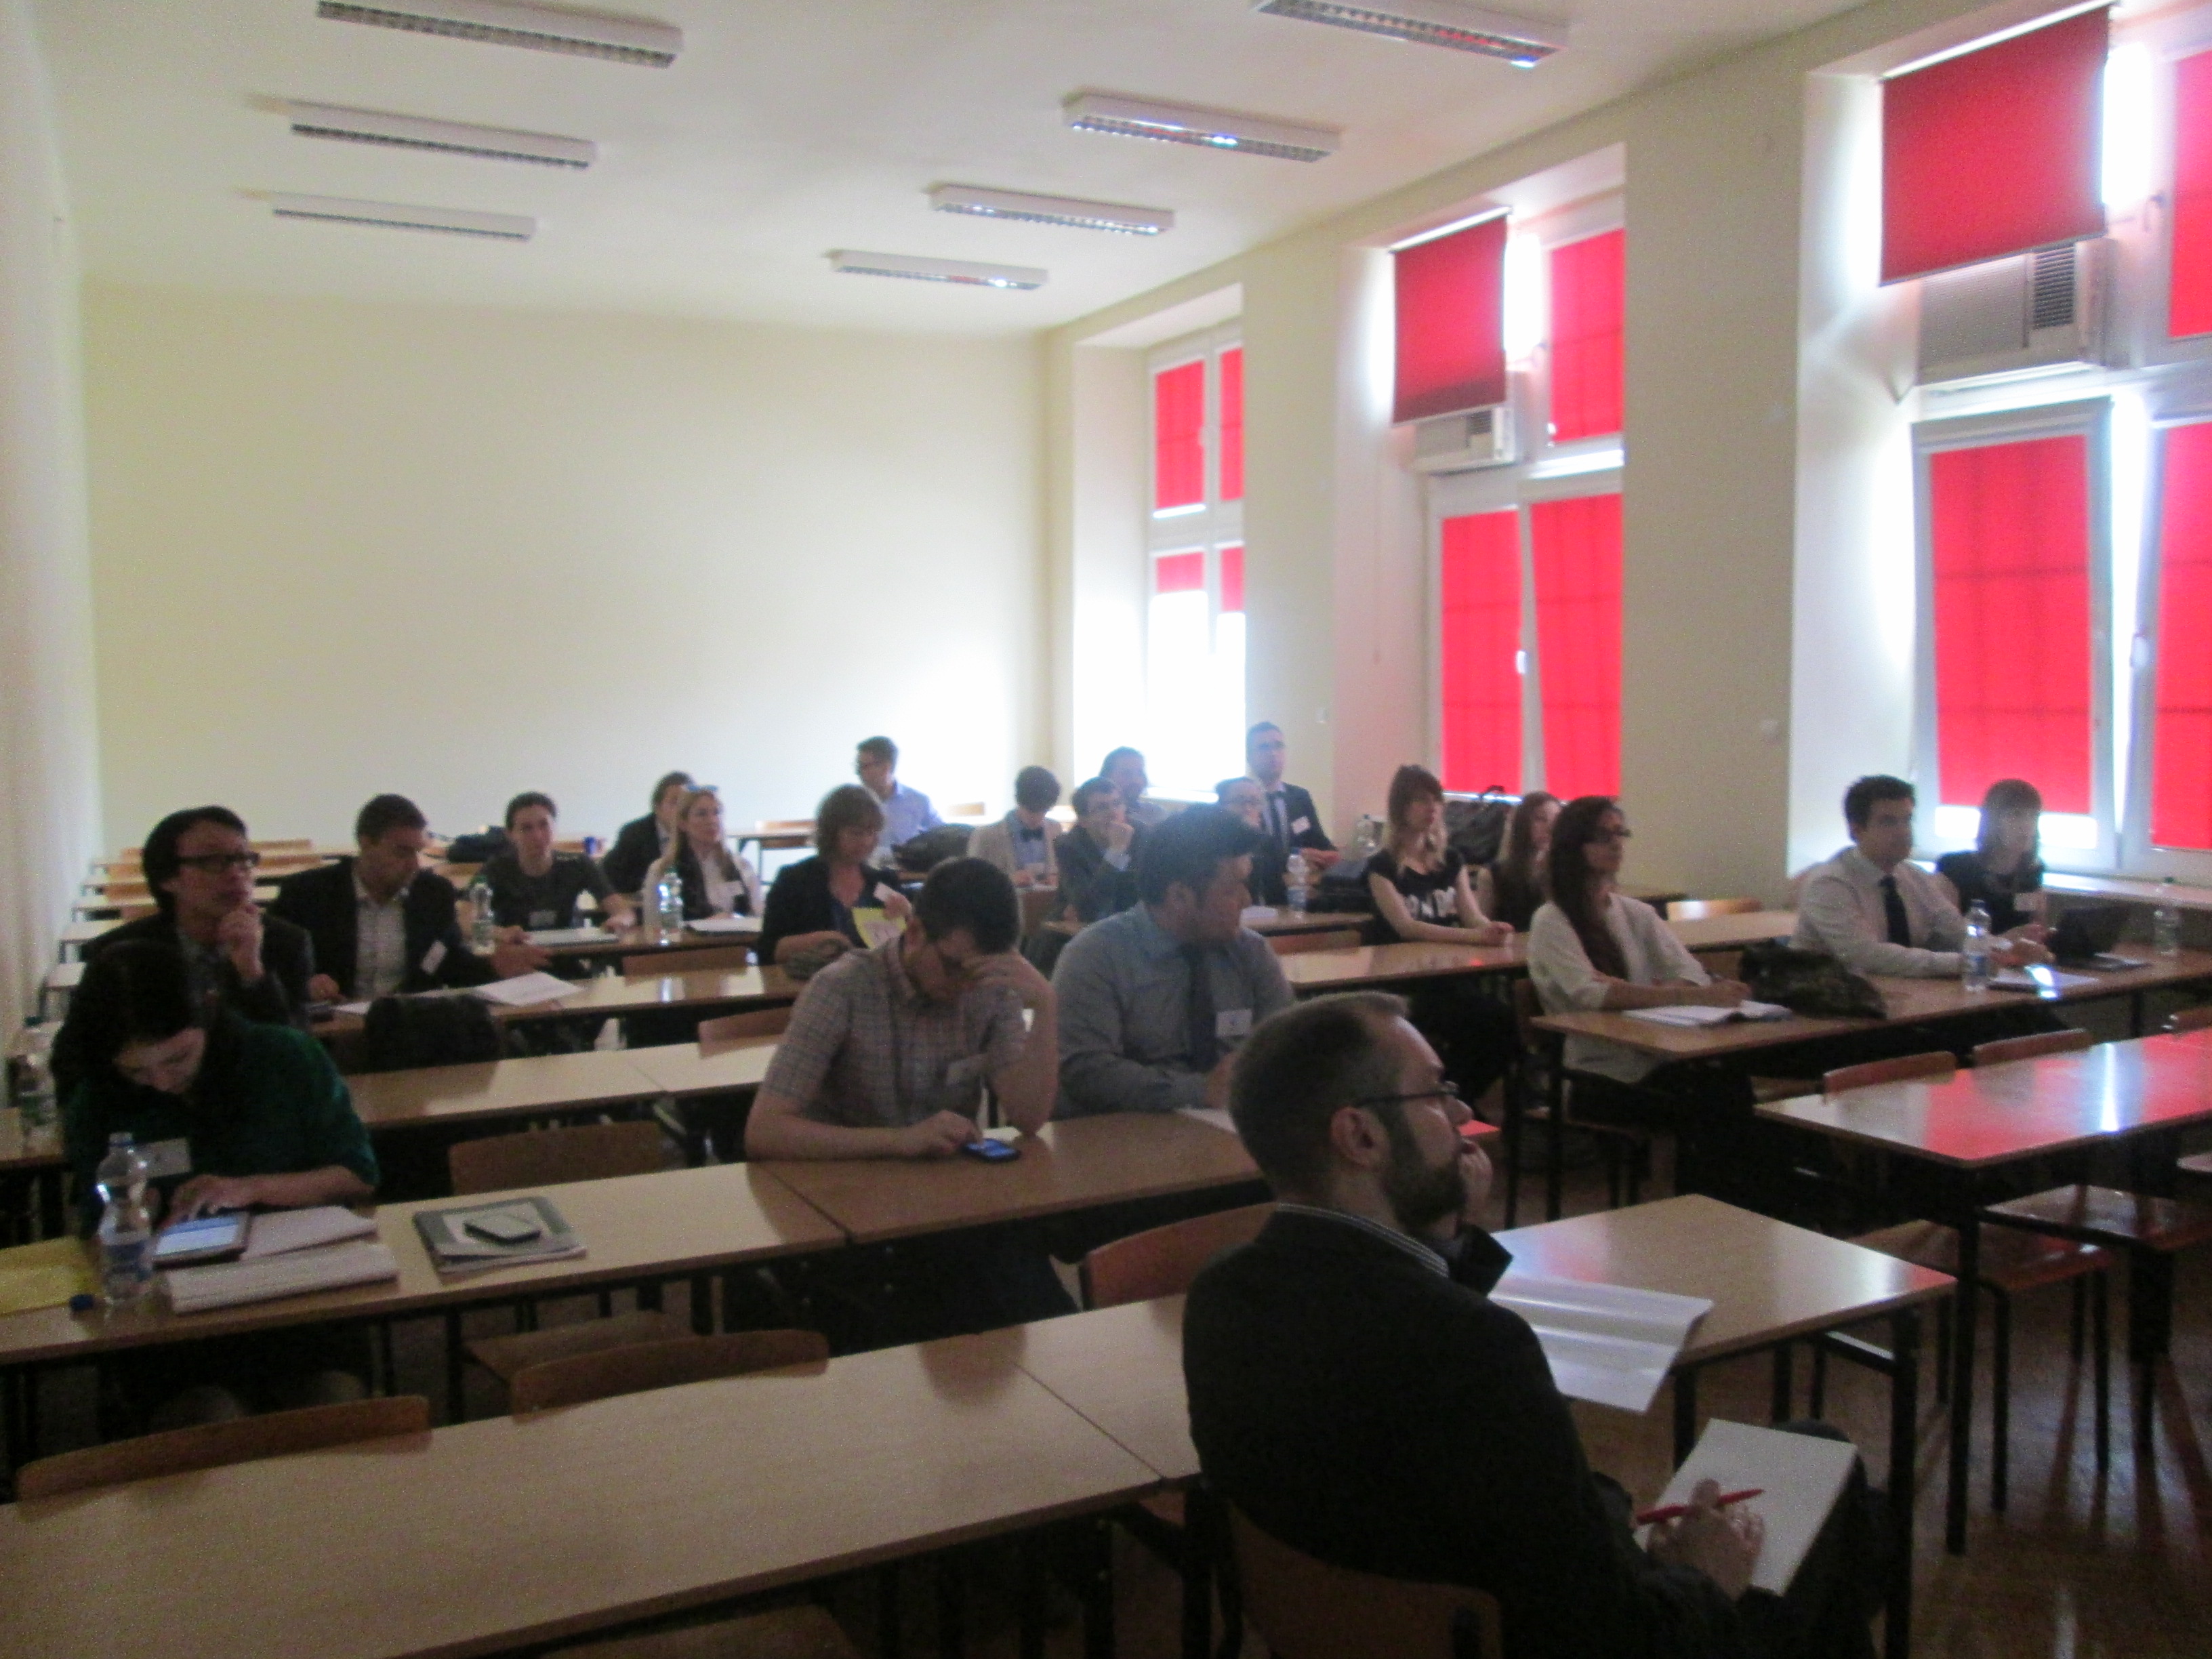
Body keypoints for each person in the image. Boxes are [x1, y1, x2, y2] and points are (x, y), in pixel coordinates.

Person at [1185, 993, 1882, 1659]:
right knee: (1823, 1459)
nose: (1462, 1111)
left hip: (1357, 1631)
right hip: (1541, 1640)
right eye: (1433, 1093)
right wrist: (1703, 1577)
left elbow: (1383, 1314)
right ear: (1361, 1135)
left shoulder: (1221, 1295)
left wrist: (1446, 1228)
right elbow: (1615, 1643)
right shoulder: (1476, 1350)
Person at [60, 942, 379, 1425]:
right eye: (137, 1070)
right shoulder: (100, 1100)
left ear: (209, 1013)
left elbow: (356, 1176)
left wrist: (251, 1188)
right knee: (210, 1421)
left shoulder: (283, 1058)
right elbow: (91, 1227)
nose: (162, 1082)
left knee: (330, 1410)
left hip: (299, 1292)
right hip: (172, 1315)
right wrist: (126, 1215)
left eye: (177, 1059)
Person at [1054, 805, 1292, 1117]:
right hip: (1124, 1139)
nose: (1246, 901)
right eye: (1232, 888)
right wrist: (1201, 1090)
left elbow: (1289, 1045)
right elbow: (1087, 1073)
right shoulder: (1097, 956)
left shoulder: (1249, 952)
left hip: (1230, 1131)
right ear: (1179, 896)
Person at [1528, 796, 1746, 1091]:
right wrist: (1682, 996)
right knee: (1713, 1092)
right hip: (1597, 1072)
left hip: (1657, 1052)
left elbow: (1693, 973)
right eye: (1604, 836)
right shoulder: (1552, 920)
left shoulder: (1636, 912)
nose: (1616, 844)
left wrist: (1638, 991)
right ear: (1574, 846)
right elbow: (1593, 996)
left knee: (1728, 1081)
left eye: (1620, 833)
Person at [272, 793, 550, 1002]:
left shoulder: (432, 894)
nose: (414, 866)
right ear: (365, 844)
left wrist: (492, 965)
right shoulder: (307, 894)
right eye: (402, 853)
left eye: (418, 852)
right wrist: (305, 984)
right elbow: (272, 967)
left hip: (410, 1027)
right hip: (331, 1030)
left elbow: (447, 962)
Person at [1364, 765, 1518, 1107]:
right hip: (1407, 983)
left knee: (1504, 1023)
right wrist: (1474, 939)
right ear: (1401, 808)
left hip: (1449, 975)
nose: (1432, 808)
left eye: (1436, 800)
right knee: (1484, 1023)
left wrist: (1489, 928)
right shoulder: (1383, 866)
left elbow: (1471, 915)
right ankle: (1445, 1100)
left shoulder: (1450, 860)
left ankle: (1452, 1097)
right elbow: (1407, 928)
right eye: (1421, 801)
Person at [83, 806, 315, 1033]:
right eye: (213, 861)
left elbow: (297, 1051)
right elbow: (79, 1055)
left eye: (243, 858)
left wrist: (253, 974)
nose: (236, 873)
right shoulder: (117, 953)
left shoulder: (286, 942)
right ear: (168, 878)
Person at [1794, 776, 2049, 978]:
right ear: (1856, 830)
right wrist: (1964, 961)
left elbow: (1956, 930)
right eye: (1888, 822)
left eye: (1907, 820)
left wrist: (2006, 949)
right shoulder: (1829, 884)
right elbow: (1866, 955)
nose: (1903, 832)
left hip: (1902, 995)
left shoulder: (1913, 877)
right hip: (1835, 1007)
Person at [758, 783, 913, 967]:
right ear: (831, 833)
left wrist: (909, 916)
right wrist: (820, 940)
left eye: (872, 832)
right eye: (856, 833)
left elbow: (911, 951)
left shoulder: (884, 882)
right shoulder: (794, 881)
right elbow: (768, 951)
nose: (866, 841)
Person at [476, 792, 636, 933]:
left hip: (568, 952)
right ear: (510, 835)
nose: (538, 836)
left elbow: (623, 912)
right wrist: (500, 934)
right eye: (526, 828)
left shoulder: (577, 863)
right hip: (516, 954)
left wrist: (619, 921)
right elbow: (465, 920)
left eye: (544, 825)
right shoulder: (496, 868)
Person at [1935, 778, 2047, 935]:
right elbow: (1945, 939)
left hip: (2019, 959)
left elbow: (2037, 930)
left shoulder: (2032, 872)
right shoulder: (1956, 869)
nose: (2027, 825)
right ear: (1993, 821)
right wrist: (2006, 942)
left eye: (2033, 816)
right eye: (2016, 815)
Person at [639, 787, 762, 922]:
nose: (712, 821)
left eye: (716, 813)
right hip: (688, 941)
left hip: (739, 940)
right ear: (683, 823)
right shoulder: (662, 870)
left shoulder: (741, 866)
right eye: (702, 814)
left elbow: (758, 915)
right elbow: (654, 923)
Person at [1245, 720, 1339, 871]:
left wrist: (1334, 856)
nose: (1273, 753)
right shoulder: (1243, 800)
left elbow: (1317, 840)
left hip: (1300, 883)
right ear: (1249, 757)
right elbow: (1249, 851)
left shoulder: (1300, 797)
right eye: (1264, 747)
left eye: (1279, 746)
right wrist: (1294, 857)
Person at [1052, 777, 1143, 926]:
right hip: (1070, 934)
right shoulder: (1068, 846)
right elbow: (1088, 909)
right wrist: (1116, 852)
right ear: (1083, 821)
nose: (1113, 813)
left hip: (1127, 929)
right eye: (1102, 808)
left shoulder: (1141, 834)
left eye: (1117, 804)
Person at [1477, 790, 1559, 933]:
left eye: (1557, 820)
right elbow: (1481, 927)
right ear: (1523, 824)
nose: (1550, 828)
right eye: (1541, 819)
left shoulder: (1568, 872)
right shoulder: (1493, 875)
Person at [601, 771, 693, 896]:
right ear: (657, 808)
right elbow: (611, 880)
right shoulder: (634, 834)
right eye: (675, 802)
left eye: (687, 803)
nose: (682, 809)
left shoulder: (699, 834)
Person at [970, 765, 1063, 887]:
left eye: (1044, 810)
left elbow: (1063, 873)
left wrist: (1056, 879)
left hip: (1045, 902)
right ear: (1017, 800)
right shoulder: (985, 836)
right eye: (1032, 811)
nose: (1038, 818)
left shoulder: (1055, 829)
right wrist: (1006, 881)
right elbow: (972, 883)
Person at [855, 735, 941, 860]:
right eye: (858, 766)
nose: (858, 772)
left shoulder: (919, 801)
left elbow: (942, 836)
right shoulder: (852, 803)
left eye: (864, 767)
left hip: (909, 873)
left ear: (886, 767)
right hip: (866, 873)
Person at [1216, 776, 1287, 906]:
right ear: (1221, 807)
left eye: (1254, 802)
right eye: (1239, 801)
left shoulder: (1268, 843)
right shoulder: (1211, 844)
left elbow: (1277, 892)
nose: (1248, 809)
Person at [1101, 746, 1168, 828]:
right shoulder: (1097, 819)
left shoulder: (1156, 814)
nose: (1136, 781)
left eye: (1140, 773)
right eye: (1126, 773)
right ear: (1107, 777)